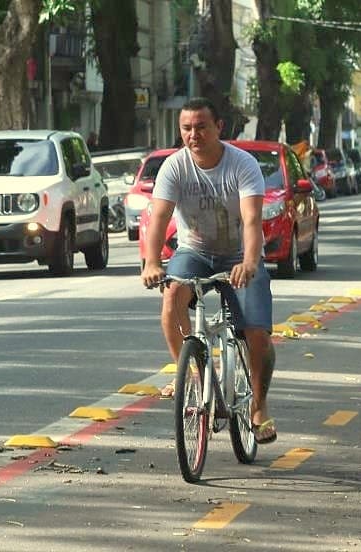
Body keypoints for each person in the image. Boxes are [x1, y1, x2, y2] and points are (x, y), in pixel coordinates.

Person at [140, 97, 277, 444]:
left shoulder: (242, 164)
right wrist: (153, 262)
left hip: (239, 256)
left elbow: (250, 219)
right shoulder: (174, 167)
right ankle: (194, 374)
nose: (193, 134)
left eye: (201, 126)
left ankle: (258, 406)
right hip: (195, 252)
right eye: (186, 128)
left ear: (219, 127)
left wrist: (249, 261)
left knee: (257, 332)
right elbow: (159, 217)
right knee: (171, 301)